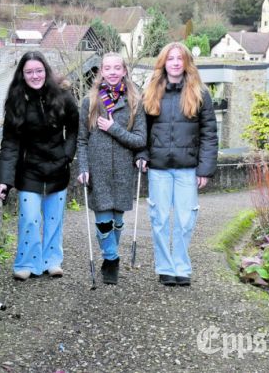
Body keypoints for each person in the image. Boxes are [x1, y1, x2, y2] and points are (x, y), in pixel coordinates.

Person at [136, 42, 218, 287]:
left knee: (185, 220)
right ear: (163, 63)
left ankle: (181, 267)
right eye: (169, 59)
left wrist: (205, 169)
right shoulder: (150, 91)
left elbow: (209, 134)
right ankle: (164, 267)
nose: (174, 63)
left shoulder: (200, 93)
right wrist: (141, 154)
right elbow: (141, 130)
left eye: (178, 59)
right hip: (158, 168)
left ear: (186, 63)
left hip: (188, 168)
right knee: (159, 220)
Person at [0, 51, 79, 280]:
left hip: (58, 168)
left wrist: (67, 155)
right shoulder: (15, 102)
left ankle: (52, 260)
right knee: (30, 217)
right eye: (29, 72)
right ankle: (27, 262)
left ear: (46, 71)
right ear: (22, 75)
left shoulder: (63, 96)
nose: (35, 76)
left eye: (39, 71)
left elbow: (73, 128)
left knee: (54, 219)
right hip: (29, 169)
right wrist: (4, 179)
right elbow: (10, 144)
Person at [77, 53, 147, 285]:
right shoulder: (90, 102)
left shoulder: (135, 102)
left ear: (125, 71)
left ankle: (110, 257)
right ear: (102, 72)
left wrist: (112, 128)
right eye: (108, 68)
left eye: (117, 68)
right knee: (103, 220)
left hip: (124, 172)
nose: (113, 72)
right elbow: (82, 141)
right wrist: (83, 167)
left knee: (117, 221)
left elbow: (140, 140)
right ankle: (111, 258)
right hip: (99, 171)